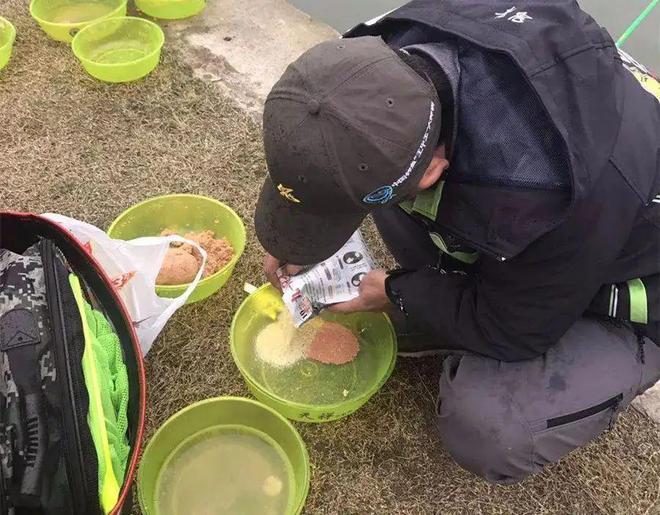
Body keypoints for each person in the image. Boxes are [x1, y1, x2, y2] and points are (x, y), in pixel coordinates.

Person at [254, 0, 660, 484]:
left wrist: (395, 290)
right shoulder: (383, 68)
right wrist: (301, 226)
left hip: (628, 284)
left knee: (488, 428)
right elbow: (344, 151)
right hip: (534, 234)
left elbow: (516, 330)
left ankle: (611, 365)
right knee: (392, 193)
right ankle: (457, 297)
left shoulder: (548, 191)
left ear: (432, 170)